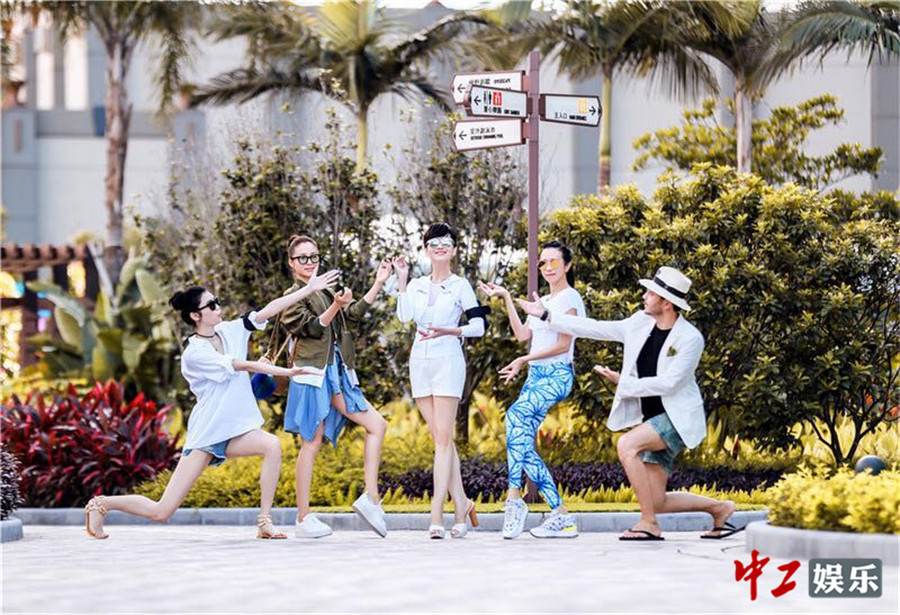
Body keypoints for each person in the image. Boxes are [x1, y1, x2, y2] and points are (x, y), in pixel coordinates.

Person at [83, 271, 339, 540]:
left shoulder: (230, 330)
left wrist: (307, 289)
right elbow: (239, 365)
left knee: (272, 445)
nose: (218, 307)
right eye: (211, 305)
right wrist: (284, 372)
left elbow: (268, 310)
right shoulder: (194, 353)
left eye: (217, 302)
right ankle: (101, 504)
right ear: (196, 315)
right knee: (162, 510)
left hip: (235, 429)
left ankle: (265, 521)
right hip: (208, 432)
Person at [516, 266, 743, 541]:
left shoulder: (690, 338)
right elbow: (596, 327)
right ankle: (720, 508)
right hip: (652, 418)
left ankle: (649, 524)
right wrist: (546, 315)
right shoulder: (639, 323)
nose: (644, 296)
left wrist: (623, 382)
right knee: (656, 500)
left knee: (627, 445)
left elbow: (670, 383)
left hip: (677, 418)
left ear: (666, 303)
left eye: (651, 293)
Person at [276, 235, 390, 539]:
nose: (309, 262)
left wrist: (378, 283)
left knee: (376, 425)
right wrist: (335, 306)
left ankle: (371, 499)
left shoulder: (326, 289)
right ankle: (303, 517)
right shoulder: (292, 296)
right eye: (302, 258)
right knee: (311, 442)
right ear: (291, 262)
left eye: (313, 256)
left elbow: (352, 314)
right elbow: (312, 328)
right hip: (312, 372)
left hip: (337, 372)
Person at [478, 240, 585, 539]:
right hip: (535, 377)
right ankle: (560, 514)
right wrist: (506, 297)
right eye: (543, 263)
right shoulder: (543, 301)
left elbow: (563, 345)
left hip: (557, 375)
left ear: (567, 266)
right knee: (519, 436)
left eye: (554, 262)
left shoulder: (570, 298)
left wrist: (523, 360)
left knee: (514, 418)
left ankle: (514, 499)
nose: (548, 267)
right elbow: (522, 335)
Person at [393, 222, 488, 539]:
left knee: (443, 440)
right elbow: (404, 317)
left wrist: (453, 330)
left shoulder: (461, 286)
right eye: (433, 243)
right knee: (441, 439)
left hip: (448, 360)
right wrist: (402, 279)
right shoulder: (416, 284)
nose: (440, 247)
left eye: (446, 242)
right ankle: (462, 503)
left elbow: (479, 326)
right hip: (420, 362)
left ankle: (437, 515)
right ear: (426, 250)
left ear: (454, 249)